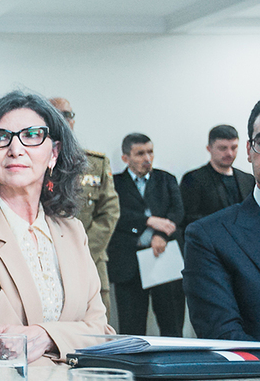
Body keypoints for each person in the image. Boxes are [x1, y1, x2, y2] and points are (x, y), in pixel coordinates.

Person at [0, 91, 113, 367]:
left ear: (53, 154)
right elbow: (6, 348)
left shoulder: (74, 231)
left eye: (32, 135)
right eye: (0, 138)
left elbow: (102, 333)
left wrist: (44, 336)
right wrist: (70, 344)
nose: (16, 149)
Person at [183, 102, 260, 340]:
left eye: (231, 147)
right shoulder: (206, 237)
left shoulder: (242, 179)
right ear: (250, 150)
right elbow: (226, 337)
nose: (229, 153)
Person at [49, 97, 120, 322]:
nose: (63, 119)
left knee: (97, 336)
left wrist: (82, 252)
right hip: (48, 263)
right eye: (55, 114)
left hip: (91, 260)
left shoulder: (95, 162)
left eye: (67, 114)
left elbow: (109, 212)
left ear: (73, 121)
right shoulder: (32, 163)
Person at [107, 133, 185, 336]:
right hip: (128, 263)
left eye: (150, 152)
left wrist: (161, 234)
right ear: (125, 158)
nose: (147, 158)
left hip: (163, 258)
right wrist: (147, 221)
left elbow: (177, 213)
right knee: (131, 328)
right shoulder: (114, 183)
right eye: (140, 153)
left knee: (172, 324)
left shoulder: (166, 179)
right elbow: (115, 216)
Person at [179, 124, 254, 230]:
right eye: (223, 148)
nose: (229, 153)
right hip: (211, 243)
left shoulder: (248, 180)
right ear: (209, 148)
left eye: (234, 148)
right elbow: (189, 219)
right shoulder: (193, 179)